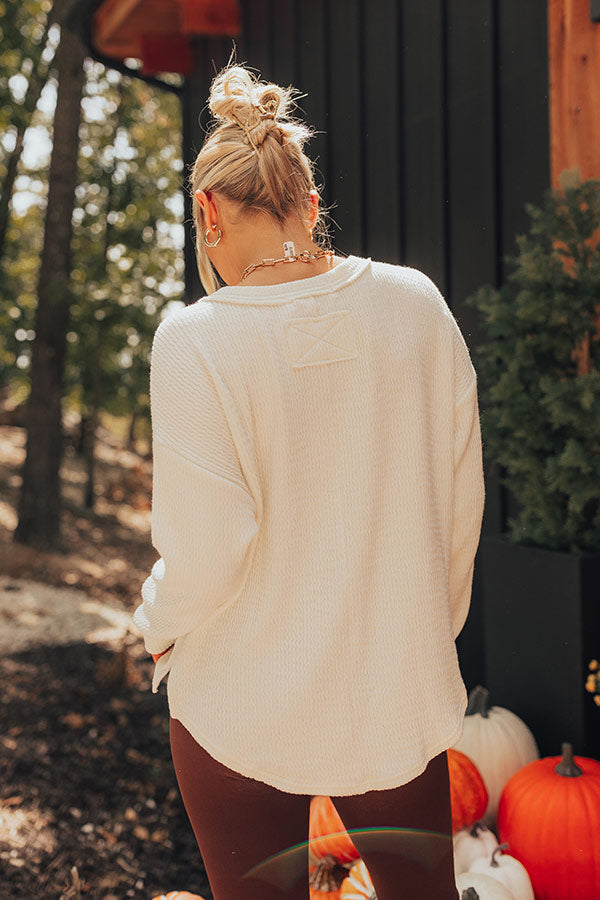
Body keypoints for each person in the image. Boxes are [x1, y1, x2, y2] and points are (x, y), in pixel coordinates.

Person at [133, 62, 485, 900]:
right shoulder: (416, 305)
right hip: (393, 692)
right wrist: (418, 640)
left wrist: (155, 625)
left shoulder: (194, 341)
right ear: (311, 203)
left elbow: (209, 552)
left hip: (238, 707)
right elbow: (459, 507)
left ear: (208, 211)